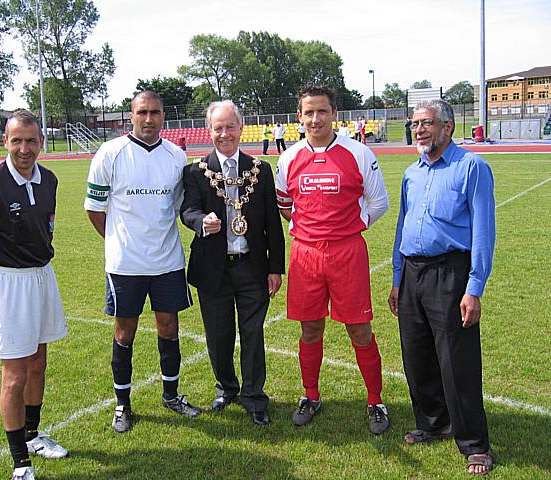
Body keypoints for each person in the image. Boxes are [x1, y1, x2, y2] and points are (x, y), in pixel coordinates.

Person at [388, 99, 496, 475]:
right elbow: (402, 227)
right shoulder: (411, 173)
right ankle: (435, 423)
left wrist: (474, 287)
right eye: (415, 124)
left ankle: (474, 444)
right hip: (413, 273)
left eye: (427, 123)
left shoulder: (472, 168)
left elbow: (484, 230)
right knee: (416, 356)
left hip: (451, 274)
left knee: (457, 361)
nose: (419, 130)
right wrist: (397, 278)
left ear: (447, 126)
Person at [0, 110, 68, 480]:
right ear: (5, 142)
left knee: (38, 362)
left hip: (42, 278)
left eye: (31, 141)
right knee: (15, 375)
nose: (24, 148)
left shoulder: (49, 180)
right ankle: (20, 463)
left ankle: (35, 436)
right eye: (17, 140)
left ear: (41, 142)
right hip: (7, 283)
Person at [275, 84, 391, 434]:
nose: (315, 118)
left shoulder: (358, 153)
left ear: (334, 114)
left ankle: (375, 401)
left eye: (322, 111)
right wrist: (308, 230)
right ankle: (311, 395)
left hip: (347, 253)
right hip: (306, 255)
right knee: (310, 328)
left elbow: (379, 202)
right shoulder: (288, 158)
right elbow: (284, 205)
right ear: (299, 117)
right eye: (308, 112)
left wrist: (351, 226)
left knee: (359, 328)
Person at [84, 90, 201, 435]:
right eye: (142, 112)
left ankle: (171, 395)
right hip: (126, 265)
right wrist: (117, 241)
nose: (149, 119)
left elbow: (183, 206)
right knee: (125, 331)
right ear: (131, 116)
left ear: (164, 116)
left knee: (169, 327)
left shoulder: (176, 157)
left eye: (155, 113)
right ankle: (123, 404)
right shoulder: (111, 153)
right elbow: (94, 208)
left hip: (167, 261)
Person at [181, 100, 285, 425]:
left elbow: (272, 223)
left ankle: (254, 397)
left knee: (253, 334)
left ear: (241, 129)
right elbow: (188, 210)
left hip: (252, 267)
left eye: (230, 127)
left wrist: (275, 268)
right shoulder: (196, 172)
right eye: (218, 128)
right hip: (213, 268)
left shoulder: (261, 170)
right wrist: (201, 222)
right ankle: (227, 388)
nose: (224, 134)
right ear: (209, 131)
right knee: (218, 334)